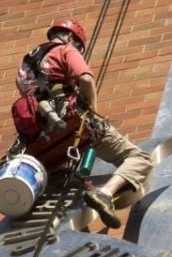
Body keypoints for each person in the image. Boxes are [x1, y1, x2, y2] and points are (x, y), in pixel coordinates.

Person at [14, 18, 153, 228]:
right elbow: (86, 79)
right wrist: (93, 114)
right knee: (139, 158)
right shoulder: (65, 50)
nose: (77, 48)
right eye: (78, 44)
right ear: (70, 36)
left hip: (38, 142)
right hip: (72, 122)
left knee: (65, 182)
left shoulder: (26, 64)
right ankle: (105, 194)